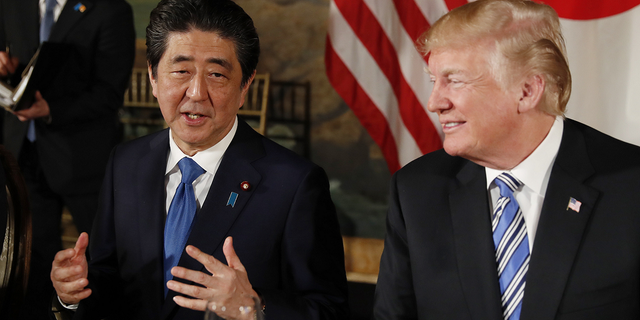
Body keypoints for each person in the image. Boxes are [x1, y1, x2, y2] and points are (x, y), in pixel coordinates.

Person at [50, 0, 349, 319]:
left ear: (244, 86)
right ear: (153, 77)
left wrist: (254, 307)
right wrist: (73, 292)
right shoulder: (126, 162)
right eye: (181, 71)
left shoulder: (295, 184)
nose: (195, 93)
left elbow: (330, 310)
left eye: (217, 74)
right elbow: (109, 281)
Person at [373, 0, 640, 319]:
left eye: (455, 80)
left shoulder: (631, 186)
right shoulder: (417, 191)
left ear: (527, 91)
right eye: (434, 81)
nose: (434, 103)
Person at [0, 0, 135, 318]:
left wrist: (51, 110)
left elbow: (110, 92)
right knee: (32, 262)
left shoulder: (111, 9)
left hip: (85, 159)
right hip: (23, 154)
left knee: (103, 258)